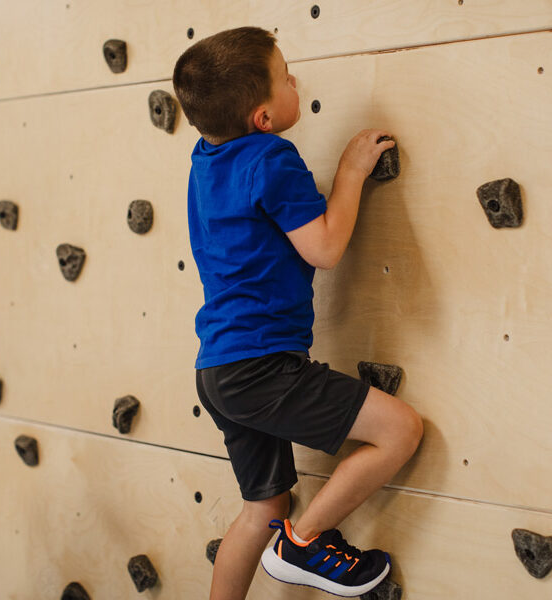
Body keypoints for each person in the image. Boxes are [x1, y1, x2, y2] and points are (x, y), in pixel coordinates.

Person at [173, 27, 423, 599]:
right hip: (261, 365)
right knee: (400, 431)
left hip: (218, 368)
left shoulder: (207, 156)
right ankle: (304, 541)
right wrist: (352, 172)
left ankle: (280, 541)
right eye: (286, 76)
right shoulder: (270, 157)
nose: (296, 81)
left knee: (263, 507)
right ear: (263, 118)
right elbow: (326, 248)